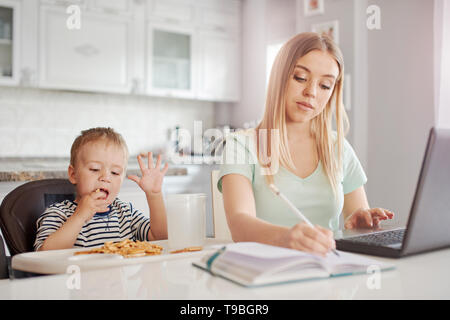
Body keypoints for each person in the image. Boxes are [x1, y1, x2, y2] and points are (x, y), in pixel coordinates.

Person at [218, 32, 394, 256]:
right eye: (300, 78)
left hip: (328, 273)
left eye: (325, 85)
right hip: (264, 275)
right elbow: (239, 225)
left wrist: (360, 224)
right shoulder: (240, 145)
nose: (310, 92)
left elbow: (358, 216)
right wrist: (286, 238)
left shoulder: (338, 148)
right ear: (279, 77)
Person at [34, 127, 169, 251]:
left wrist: (154, 196)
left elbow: (160, 237)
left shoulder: (126, 214)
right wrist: (79, 217)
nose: (105, 177)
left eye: (115, 172)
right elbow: (45, 254)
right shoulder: (58, 214)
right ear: (73, 174)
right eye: (95, 169)